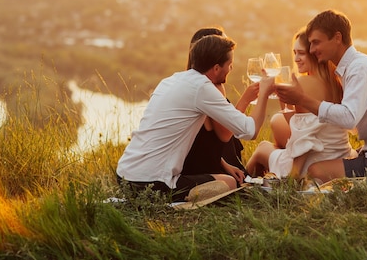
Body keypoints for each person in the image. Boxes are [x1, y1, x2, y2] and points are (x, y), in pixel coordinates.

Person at [116, 34, 273, 202]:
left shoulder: (170, 80)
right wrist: (264, 93)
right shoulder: (202, 88)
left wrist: (224, 164)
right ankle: (172, 200)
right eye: (230, 65)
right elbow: (250, 130)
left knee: (223, 178)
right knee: (229, 183)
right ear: (216, 68)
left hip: (124, 175)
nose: (231, 69)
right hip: (151, 183)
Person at [276, 10, 367, 183]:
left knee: (316, 170)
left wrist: (301, 99)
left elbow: (348, 119)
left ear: (337, 38)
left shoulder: (359, 68)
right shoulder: (350, 69)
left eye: (316, 42)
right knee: (332, 162)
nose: (312, 49)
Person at [245, 28, 355, 178]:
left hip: (312, 162)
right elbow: (310, 124)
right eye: (295, 53)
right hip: (338, 155)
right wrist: (285, 101)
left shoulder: (303, 84)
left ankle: (242, 186)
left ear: (314, 54)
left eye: (301, 53)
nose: (296, 58)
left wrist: (292, 176)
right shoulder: (337, 83)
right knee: (278, 126)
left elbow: (301, 136)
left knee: (263, 148)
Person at [181, 27, 256, 185]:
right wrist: (245, 100)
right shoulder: (207, 88)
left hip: (206, 159)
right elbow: (226, 133)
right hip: (203, 165)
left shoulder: (186, 83)